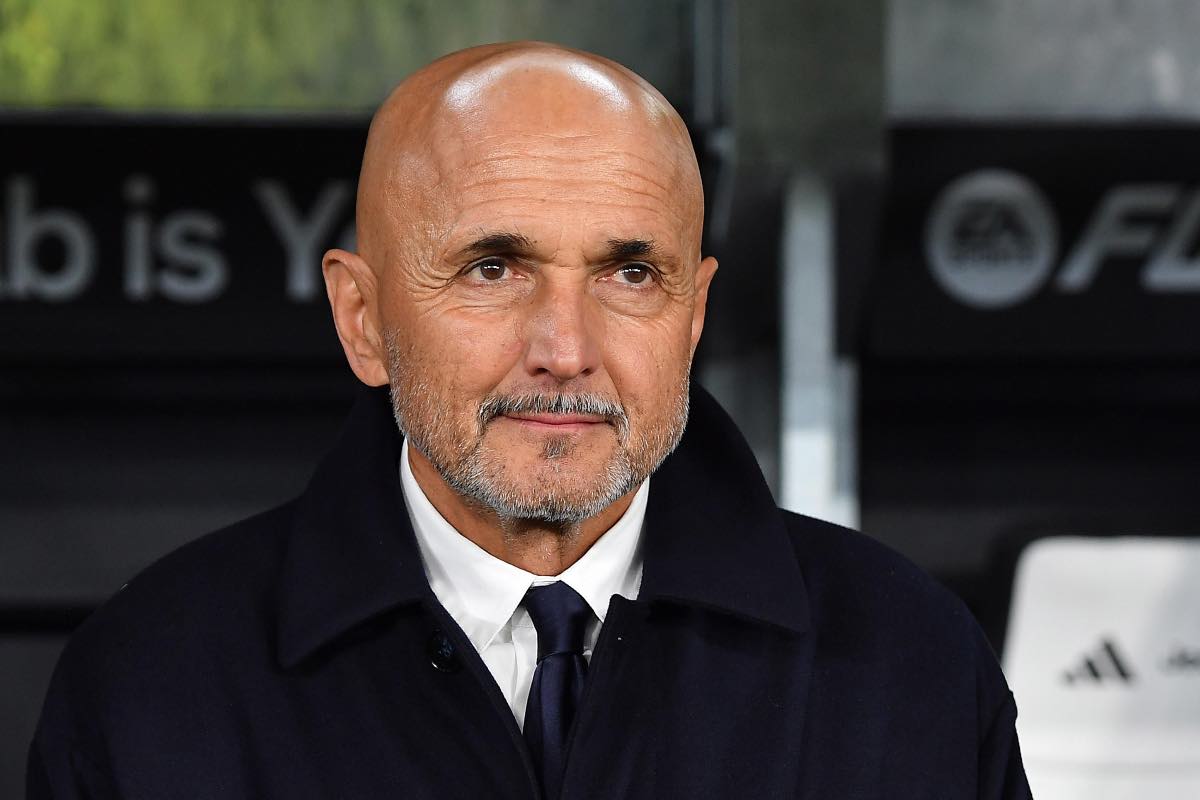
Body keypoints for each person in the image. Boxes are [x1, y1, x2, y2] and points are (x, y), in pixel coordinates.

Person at [28, 42, 1031, 799]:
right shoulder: (154, 683)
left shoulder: (910, 666)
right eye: (493, 268)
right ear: (363, 318)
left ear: (692, 318)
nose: (565, 346)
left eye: (630, 273)